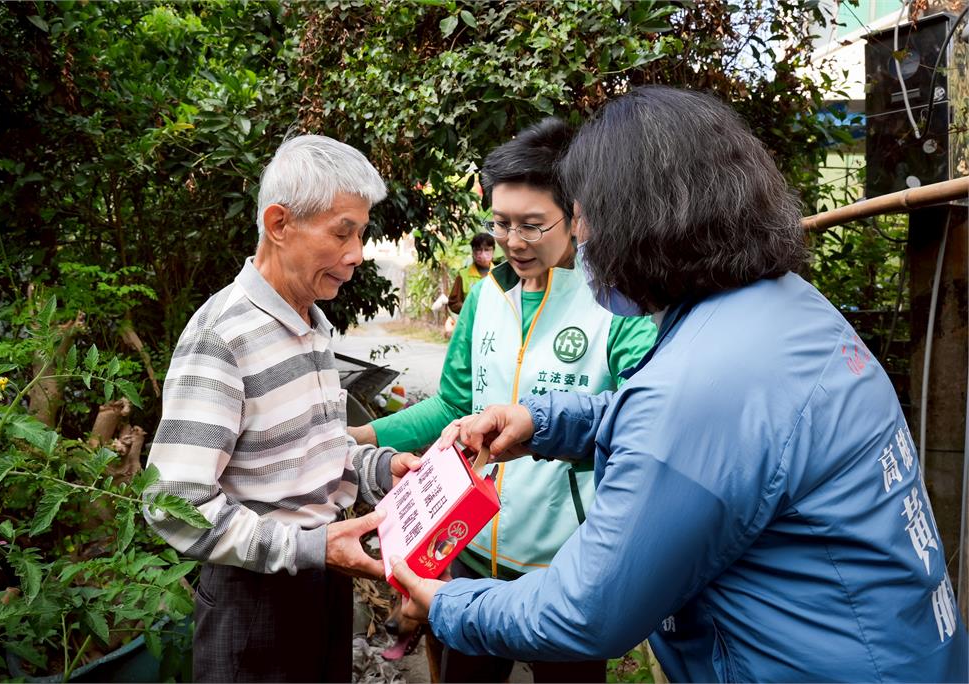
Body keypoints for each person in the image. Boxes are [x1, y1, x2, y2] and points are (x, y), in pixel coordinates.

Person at [392, 87, 968, 682]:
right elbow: (704, 436)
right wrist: (547, 421)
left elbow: (585, 611)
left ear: (639, 219)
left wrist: (447, 604)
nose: (582, 234)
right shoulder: (781, 308)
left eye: (585, 214)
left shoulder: (705, 382)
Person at [350, 117, 656, 682]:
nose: (512, 242)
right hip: (468, 557)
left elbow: (644, 424)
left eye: (533, 225)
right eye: (501, 224)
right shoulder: (487, 299)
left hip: (567, 570)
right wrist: (360, 438)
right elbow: (450, 405)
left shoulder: (618, 308)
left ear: (578, 214)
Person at [143, 135, 421, 683]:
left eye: (361, 233)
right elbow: (172, 501)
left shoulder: (312, 323)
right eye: (343, 231)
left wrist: (379, 467)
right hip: (254, 598)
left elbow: (315, 452)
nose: (357, 253)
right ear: (279, 224)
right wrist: (305, 546)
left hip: (321, 576)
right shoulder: (222, 336)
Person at [446, 232, 495, 315]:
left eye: (487, 250)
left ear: (493, 251)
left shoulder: (500, 274)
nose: (483, 254)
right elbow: (454, 303)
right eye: (478, 250)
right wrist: (471, 309)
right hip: (470, 324)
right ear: (473, 252)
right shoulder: (463, 275)